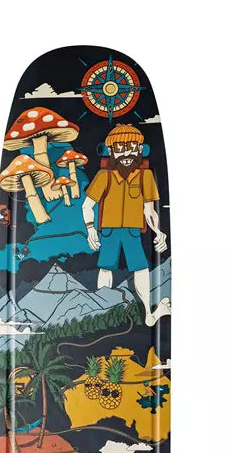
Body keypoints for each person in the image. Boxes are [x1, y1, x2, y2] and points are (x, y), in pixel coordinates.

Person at [81, 124, 171, 327]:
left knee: (141, 269)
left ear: (140, 149)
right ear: (111, 151)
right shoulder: (104, 176)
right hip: (109, 231)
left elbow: (149, 211)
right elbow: (87, 205)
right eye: (121, 148)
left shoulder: (145, 177)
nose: (127, 154)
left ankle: (148, 313)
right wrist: (90, 229)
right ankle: (103, 314)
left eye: (132, 147)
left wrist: (158, 231)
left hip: (132, 231)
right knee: (105, 269)